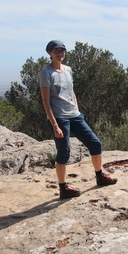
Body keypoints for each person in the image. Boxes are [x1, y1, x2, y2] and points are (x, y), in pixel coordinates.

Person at [40, 39, 117, 199]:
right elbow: (46, 101)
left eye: (62, 51)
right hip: (60, 119)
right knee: (64, 153)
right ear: (49, 53)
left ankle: (100, 176)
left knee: (95, 144)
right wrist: (55, 125)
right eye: (56, 51)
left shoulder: (68, 70)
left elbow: (71, 92)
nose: (60, 54)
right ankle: (63, 188)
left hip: (74, 116)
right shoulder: (46, 73)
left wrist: (77, 109)